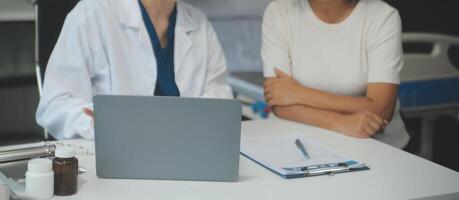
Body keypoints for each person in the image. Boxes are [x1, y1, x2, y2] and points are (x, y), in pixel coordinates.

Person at [36, 0, 232, 139]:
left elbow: (220, 104)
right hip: (113, 162)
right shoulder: (91, 14)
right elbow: (55, 105)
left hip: (184, 157)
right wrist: (99, 124)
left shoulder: (199, 23)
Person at [261, 0, 409, 148]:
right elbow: (278, 102)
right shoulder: (279, 12)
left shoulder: (382, 17)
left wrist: (299, 94)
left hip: (376, 147)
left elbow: (381, 110)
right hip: (303, 143)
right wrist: (339, 122)